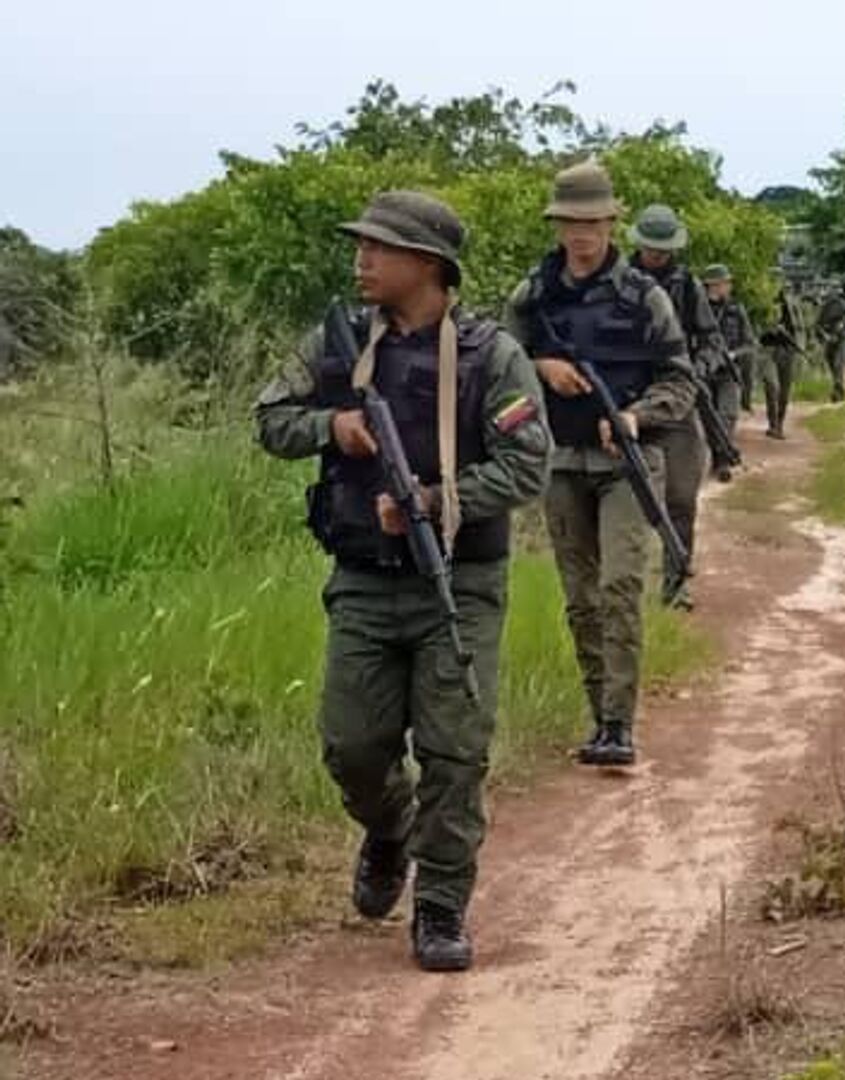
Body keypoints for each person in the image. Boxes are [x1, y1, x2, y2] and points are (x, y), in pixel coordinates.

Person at [255, 191, 549, 971]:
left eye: (379, 248)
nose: (363, 259)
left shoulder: (492, 355)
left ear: (427, 264)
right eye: (362, 246)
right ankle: (389, 831)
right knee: (352, 747)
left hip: (460, 580)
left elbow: (528, 464)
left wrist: (433, 503)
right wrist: (333, 428)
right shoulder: (338, 339)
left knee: (455, 751)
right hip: (362, 580)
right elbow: (269, 418)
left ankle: (442, 905)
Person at [504, 162, 696, 770]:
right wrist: (541, 368)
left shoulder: (646, 297)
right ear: (557, 225)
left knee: (619, 587)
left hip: (626, 462)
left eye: (594, 222)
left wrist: (636, 416)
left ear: (613, 223)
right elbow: (499, 365)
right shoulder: (532, 294)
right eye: (571, 222)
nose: (582, 233)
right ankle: (597, 715)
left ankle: (619, 722)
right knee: (580, 596)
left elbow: (680, 380)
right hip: (559, 460)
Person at [632, 203, 725, 609]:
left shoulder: (687, 287)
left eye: (663, 249)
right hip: (625, 402)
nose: (658, 255)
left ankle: (675, 584)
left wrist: (695, 370)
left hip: (677, 402)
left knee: (682, 498)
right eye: (651, 248)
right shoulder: (617, 282)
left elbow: (712, 341)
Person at [703, 263, 757, 446]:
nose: (728, 286)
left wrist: (733, 354)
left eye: (728, 283)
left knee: (728, 413)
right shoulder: (698, 309)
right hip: (704, 371)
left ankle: (723, 455)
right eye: (725, 283)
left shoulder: (736, 309)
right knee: (705, 415)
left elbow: (750, 343)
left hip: (728, 370)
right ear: (713, 285)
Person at [759, 276, 805, 439]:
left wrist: (800, 346)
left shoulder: (792, 303)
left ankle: (779, 424)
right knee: (772, 386)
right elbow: (754, 327)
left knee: (784, 390)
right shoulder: (761, 303)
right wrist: (768, 328)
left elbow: (799, 327)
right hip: (768, 350)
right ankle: (773, 424)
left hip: (787, 350)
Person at [815, 280, 845, 403]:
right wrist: (824, 335)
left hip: (841, 338)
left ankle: (836, 393)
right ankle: (839, 389)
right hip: (829, 339)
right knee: (832, 366)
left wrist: (843, 325)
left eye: (836, 289)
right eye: (833, 289)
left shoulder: (844, 305)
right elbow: (817, 325)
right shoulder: (824, 306)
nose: (834, 292)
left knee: (838, 365)